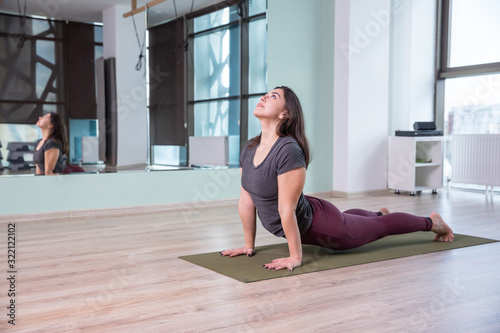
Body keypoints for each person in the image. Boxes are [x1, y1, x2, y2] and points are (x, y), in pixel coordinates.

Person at [221, 86, 454, 272]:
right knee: (352, 218)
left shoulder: (288, 150)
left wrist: (295, 257)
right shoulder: (250, 147)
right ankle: (377, 213)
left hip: (323, 227)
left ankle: (432, 223)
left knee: (379, 228)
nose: (264, 97)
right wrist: (248, 245)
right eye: (266, 94)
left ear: (285, 113)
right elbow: (246, 201)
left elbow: (285, 209)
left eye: (273, 96)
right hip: (313, 210)